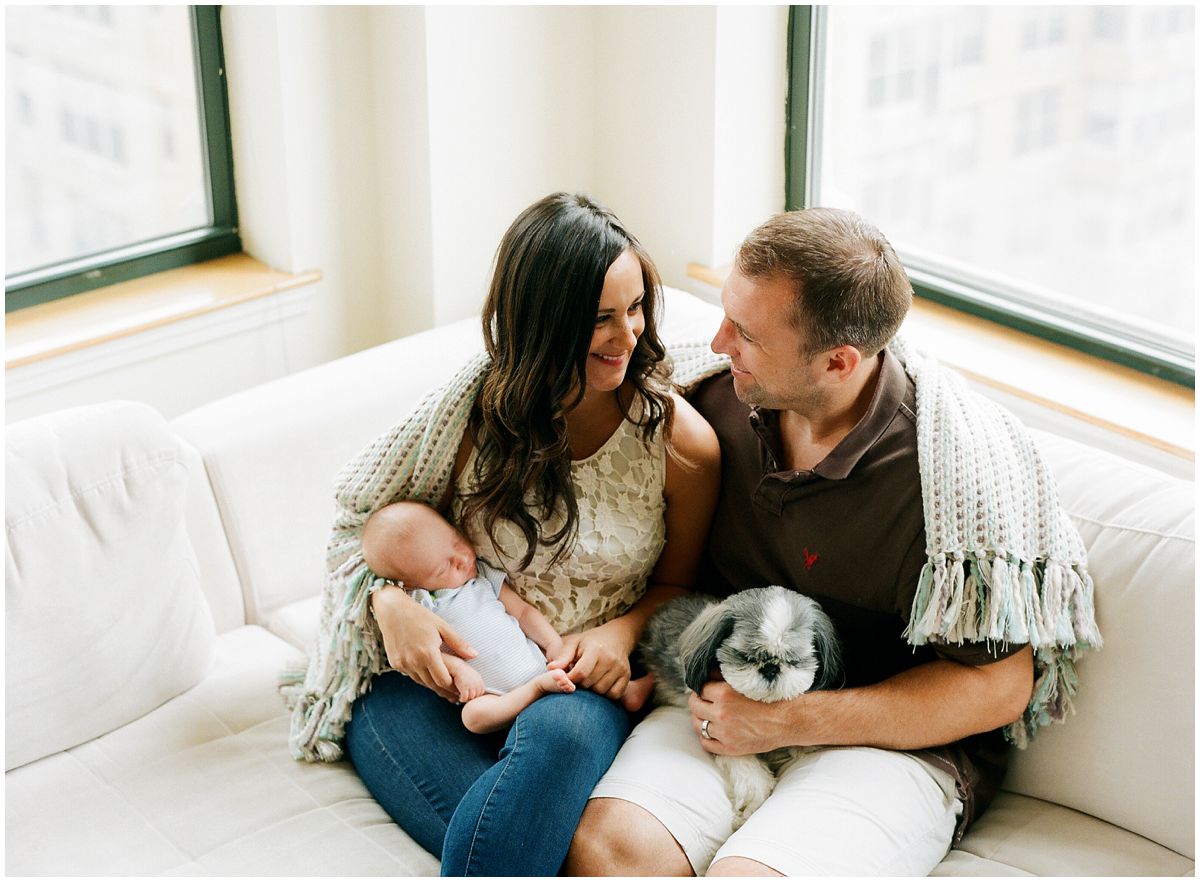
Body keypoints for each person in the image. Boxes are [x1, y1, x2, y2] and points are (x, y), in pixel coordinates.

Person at [565, 207, 1101, 876]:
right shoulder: (712, 396)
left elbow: (1000, 686)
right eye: (726, 313)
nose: (720, 340)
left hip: (891, 744)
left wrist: (794, 721)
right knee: (610, 851)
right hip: (729, 688)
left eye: (748, 333)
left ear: (838, 362)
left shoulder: (949, 481)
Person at [285, 192, 721, 876]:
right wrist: (388, 605)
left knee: (554, 759)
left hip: (567, 689)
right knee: (529, 843)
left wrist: (620, 634)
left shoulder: (679, 442)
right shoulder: (469, 414)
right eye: (600, 318)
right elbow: (359, 531)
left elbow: (681, 584)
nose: (628, 335)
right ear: (542, 322)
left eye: (635, 308)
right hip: (426, 684)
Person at [360, 501, 578, 733]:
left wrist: (553, 643)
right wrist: (457, 668)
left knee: (590, 672)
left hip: (540, 665)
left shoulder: (483, 578)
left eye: (457, 542)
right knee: (472, 717)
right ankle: (536, 689)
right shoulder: (420, 605)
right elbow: (423, 655)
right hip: (492, 696)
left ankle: (543, 683)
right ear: (412, 583)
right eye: (445, 568)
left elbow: (524, 612)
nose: (463, 558)